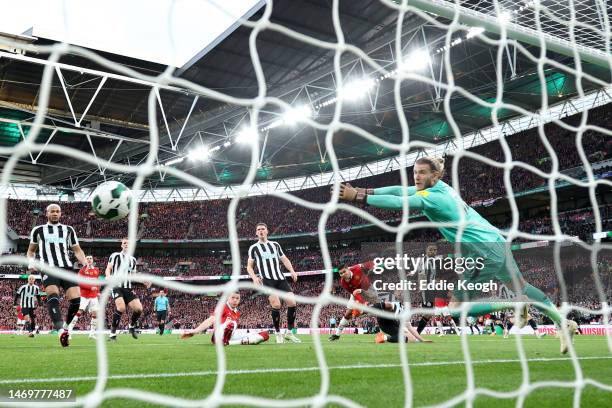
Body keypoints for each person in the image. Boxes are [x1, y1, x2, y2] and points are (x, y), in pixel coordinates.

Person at [335, 156, 578, 353]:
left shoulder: (431, 199)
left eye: (422, 173)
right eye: (415, 172)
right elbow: (399, 190)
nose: (417, 177)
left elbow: (400, 202)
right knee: (521, 285)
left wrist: (360, 197)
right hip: (495, 240)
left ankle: (516, 304)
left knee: (455, 308)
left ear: (435, 175)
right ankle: (561, 322)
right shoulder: (442, 187)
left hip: (481, 249)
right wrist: (364, 188)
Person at [27, 203, 88, 347]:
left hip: (66, 267)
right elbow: (31, 251)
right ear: (46, 213)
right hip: (48, 267)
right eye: (52, 211)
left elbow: (77, 250)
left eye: (57, 211)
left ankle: (66, 327)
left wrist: (85, 263)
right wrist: (31, 261)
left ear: (61, 214)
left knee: (76, 300)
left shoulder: (68, 230)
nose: (55, 213)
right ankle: (60, 330)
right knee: (53, 295)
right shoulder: (38, 230)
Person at [247, 223, 300, 343]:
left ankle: (289, 333)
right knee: (276, 305)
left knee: (292, 302)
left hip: (280, 278)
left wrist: (292, 271)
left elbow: (284, 259)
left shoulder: (275, 245)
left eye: (262, 229)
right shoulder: (254, 248)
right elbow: (249, 267)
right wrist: (254, 278)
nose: (260, 231)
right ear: (256, 233)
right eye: (258, 229)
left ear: (267, 231)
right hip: (267, 280)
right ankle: (278, 333)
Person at [181, 292, 269, 346]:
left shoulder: (236, 312)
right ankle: (224, 342)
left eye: (237, 298)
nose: (235, 300)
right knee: (231, 323)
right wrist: (194, 331)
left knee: (265, 334)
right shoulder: (222, 307)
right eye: (233, 298)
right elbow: (211, 320)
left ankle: (232, 343)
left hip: (231, 337)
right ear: (228, 298)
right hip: (219, 336)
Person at [106, 238, 144, 341]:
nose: (126, 244)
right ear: (121, 245)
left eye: (128, 243)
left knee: (139, 309)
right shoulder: (115, 256)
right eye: (124, 243)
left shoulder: (133, 260)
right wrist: (108, 276)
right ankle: (112, 334)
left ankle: (131, 327)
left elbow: (133, 276)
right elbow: (108, 268)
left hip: (128, 288)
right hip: (116, 286)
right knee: (121, 308)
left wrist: (143, 282)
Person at [329, 260, 376, 341]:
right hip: (356, 293)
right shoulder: (343, 282)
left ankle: (369, 309)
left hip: (367, 290)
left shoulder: (357, 268)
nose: (343, 274)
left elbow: (371, 263)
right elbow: (355, 294)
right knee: (347, 315)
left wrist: (371, 268)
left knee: (360, 311)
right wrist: (360, 302)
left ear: (348, 269)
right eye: (340, 273)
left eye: (344, 272)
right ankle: (337, 335)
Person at [66, 255, 101, 339]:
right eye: (87, 258)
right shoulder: (82, 270)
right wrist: (90, 287)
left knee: (95, 313)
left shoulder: (96, 270)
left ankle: (92, 334)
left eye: (90, 258)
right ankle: (69, 332)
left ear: (93, 260)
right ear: (85, 260)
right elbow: (80, 283)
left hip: (93, 295)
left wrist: (98, 292)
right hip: (84, 295)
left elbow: (97, 282)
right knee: (79, 312)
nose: (89, 260)